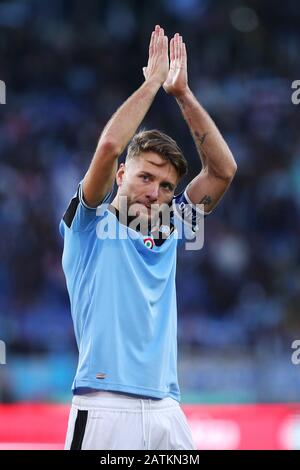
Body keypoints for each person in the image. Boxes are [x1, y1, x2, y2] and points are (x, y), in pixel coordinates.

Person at [60, 24, 237, 450]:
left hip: (166, 409)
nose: (154, 192)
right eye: (145, 177)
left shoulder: (172, 226)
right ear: (122, 175)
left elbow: (222, 172)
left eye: (165, 186)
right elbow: (107, 147)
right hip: (104, 407)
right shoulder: (86, 224)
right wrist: (152, 83)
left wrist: (182, 94)